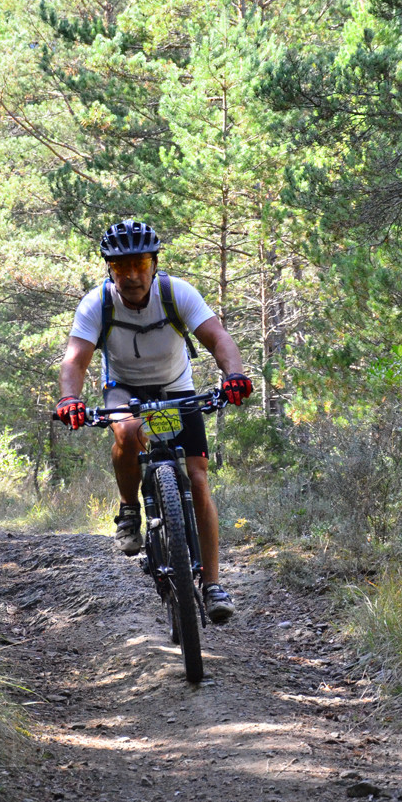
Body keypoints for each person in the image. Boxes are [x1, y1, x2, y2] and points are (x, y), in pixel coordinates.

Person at [56, 219, 252, 624]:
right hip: (124, 389)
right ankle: (130, 510)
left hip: (178, 389)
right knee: (127, 431)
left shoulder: (176, 293)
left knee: (198, 478)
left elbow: (218, 338)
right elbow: (75, 358)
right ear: (109, 269)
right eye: (120, 266)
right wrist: (70, 398)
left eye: (140, 263)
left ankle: (213, 584)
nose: (131, 275)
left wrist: (233, 374)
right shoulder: (98, 303)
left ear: (154, 262)